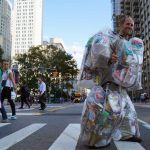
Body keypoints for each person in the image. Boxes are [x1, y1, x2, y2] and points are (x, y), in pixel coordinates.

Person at [80, 15, 142, 148]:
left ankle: (127, 134)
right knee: (106, 114)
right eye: (127, 24)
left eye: (132, 25)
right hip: (108, 84)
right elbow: (98, 58)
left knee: (128, 111)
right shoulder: (112, 39)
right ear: (121, 25)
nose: (130, 27)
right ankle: (95, 139)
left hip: (120, 84)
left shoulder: (127, 43)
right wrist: (109, 59)